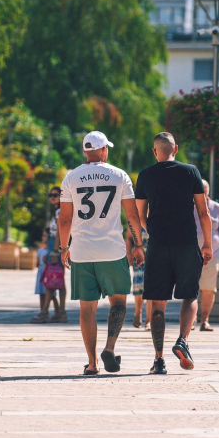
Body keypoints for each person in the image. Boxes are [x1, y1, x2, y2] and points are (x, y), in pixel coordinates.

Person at [57, 131, 145, 375]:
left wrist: (65, 248)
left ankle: (92, 362)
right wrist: (138, 245)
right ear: (104, 149)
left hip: (82, 252)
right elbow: (133, 216)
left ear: (85, 151)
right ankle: (109, 346)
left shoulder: (71, 178)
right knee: (118, 302)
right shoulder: (120, 176)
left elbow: (64, 220)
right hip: (113, 250)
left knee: (88, 308)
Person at [134, 132, 213, 375]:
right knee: (190, 296)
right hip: (187, 243)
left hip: (158, 245)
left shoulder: (146, 175)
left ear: (154, 151)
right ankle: (182, 341)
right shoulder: (190, 171)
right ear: (175, 148)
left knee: (158, 301)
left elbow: (139, 216)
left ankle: (158, 360)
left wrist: (153, 230)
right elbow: (203, 212)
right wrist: (207, 244)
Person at [193, 181, 219, 332]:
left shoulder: (217, 208)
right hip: (191, 255)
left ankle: (205, 321)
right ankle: (192, 320)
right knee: (191, 289)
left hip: (213, 254)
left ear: (208, 191)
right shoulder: (187, 207)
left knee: (208, 289)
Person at [32, 186, 67, 323]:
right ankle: (60, 313)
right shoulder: (57, 211)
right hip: (55, 244)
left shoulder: (60, 211)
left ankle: (45, 312)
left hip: (56, 245)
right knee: (58, 279)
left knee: (51, 279)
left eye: (55, 195)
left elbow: (59, 231)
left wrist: (54, 250)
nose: (52, 197)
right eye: (50, 195)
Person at [126, 226, 150, 329]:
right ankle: (138, 311)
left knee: (151, 288)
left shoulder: (157, 214)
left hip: (154, 256)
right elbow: (128, 238)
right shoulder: (136, 219)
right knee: (138, 287)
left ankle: (149, 320)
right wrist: (128, 254)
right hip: (138, 258)